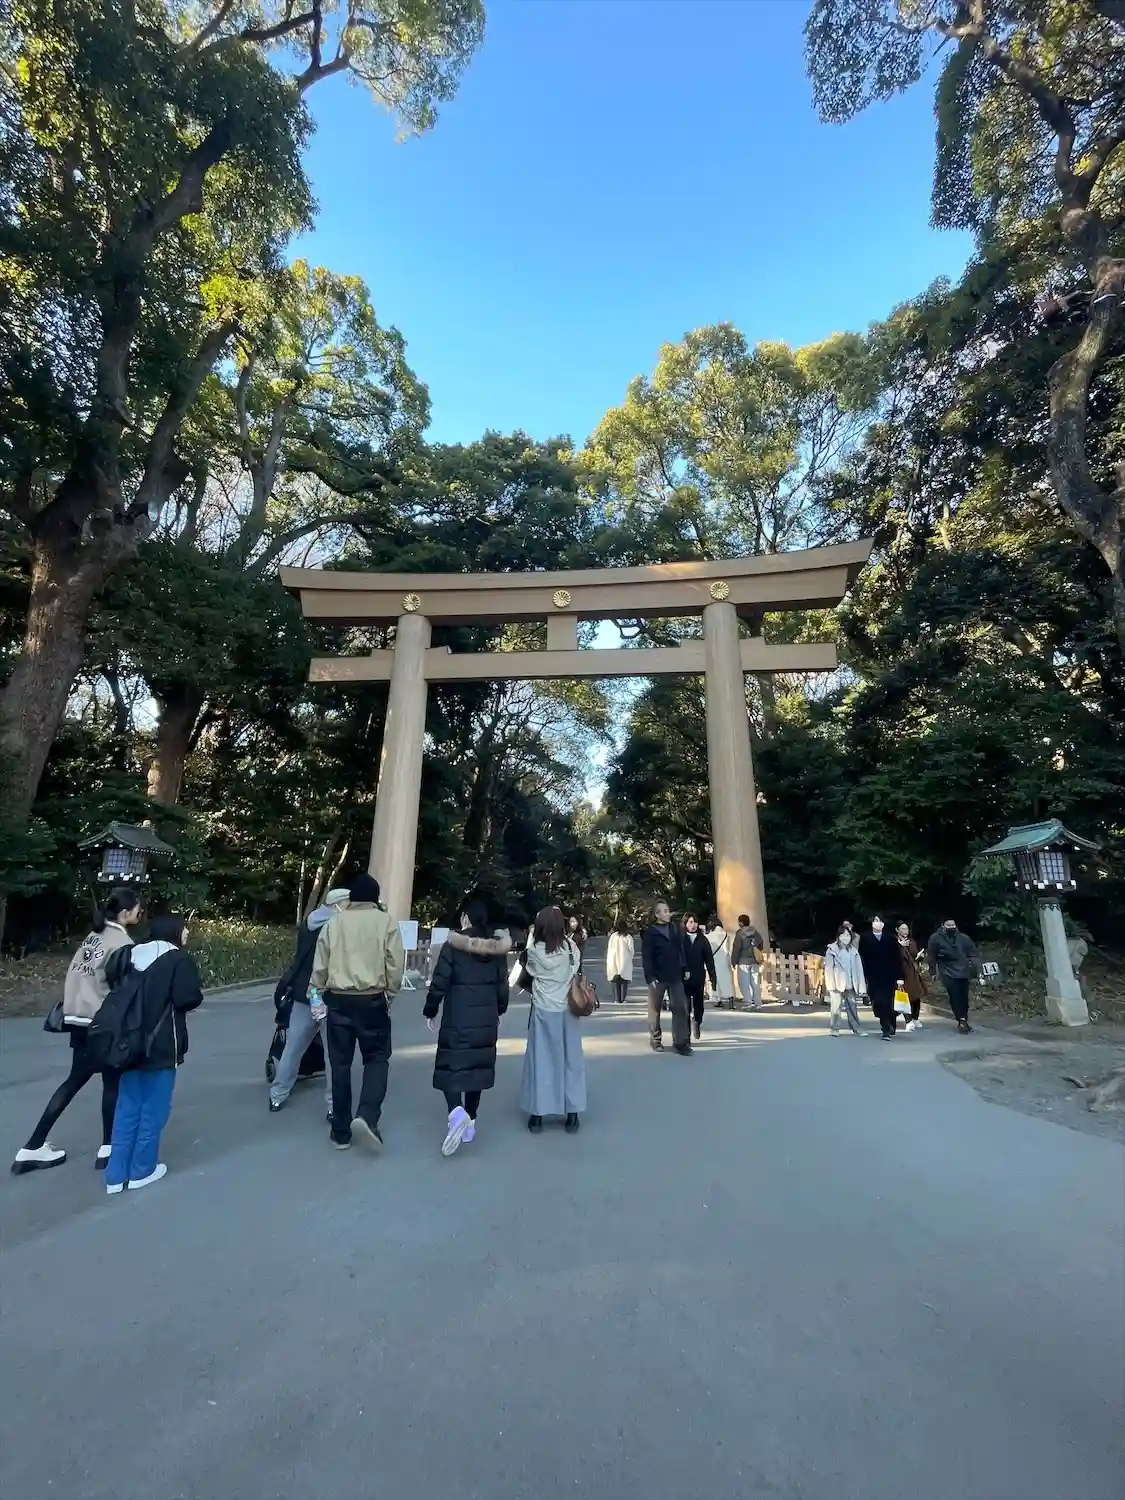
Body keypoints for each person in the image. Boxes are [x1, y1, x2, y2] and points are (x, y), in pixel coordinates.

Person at [11, 889, 143, 1176]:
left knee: (73, 1082)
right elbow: (123, 989)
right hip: (102, 1021)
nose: (139, 913)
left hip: (77, 1018)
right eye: (137, 908)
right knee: (112, 1083)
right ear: (126, 913)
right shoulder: (122, 943)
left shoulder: (93, 937)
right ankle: (108, 1148)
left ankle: (33, 1146)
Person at [103, 914, 204, 1193]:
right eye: (184, 928)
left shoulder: (130, 953)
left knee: (127, 1107)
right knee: (153, 1109)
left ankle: (115, 1174)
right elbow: (187, 998)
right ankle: (142, 1170)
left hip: (124, 1043)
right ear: (174, 931)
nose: (187, 933)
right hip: (160, 1044)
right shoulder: (178, 959)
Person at [310, 873, 405, 1153]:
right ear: (375, 898)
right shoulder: (386, 922)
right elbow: (395, 964)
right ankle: (367, 1116)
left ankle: (340, 1132)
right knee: (377, 1059)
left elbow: (320, 966)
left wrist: (317, 992)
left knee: (340, 1065)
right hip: (372, 1000)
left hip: (337, 1001)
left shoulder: (334, 923)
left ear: (351, 897)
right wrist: (390, 994)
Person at [423, 897, 511, 1157]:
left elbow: (439, 981)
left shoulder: (453, 946)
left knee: (451, 1065)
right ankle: (470, 1122)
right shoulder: (496, 950)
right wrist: (500, 1010)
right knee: (477, 1068)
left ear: (466, 919)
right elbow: (502, 985)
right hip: (486, 1018)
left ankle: (456, 1112)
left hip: (457, 1017)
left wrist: (430, 1009)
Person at [268, 887, 350, 1115]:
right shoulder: (337, 926)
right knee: (333, 1052)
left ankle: (277, 1095)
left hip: (303, 993)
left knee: (293, 1047)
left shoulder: (311, 921)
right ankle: (333, 1105)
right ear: (339, 904)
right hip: (329, 994)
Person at [520, 906, 586, 1133]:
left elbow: (527, 967)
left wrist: (532, 936)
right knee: (571, 1061)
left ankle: (537, 1114)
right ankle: (573, 1114)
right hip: (567, 1009)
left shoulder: (534, 952)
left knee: (541, 1061)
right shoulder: (571, 949)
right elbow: (576, 969)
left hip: (542, 1009)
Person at [642, 899, 691, 1055]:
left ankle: (680, 1042)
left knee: (680, 1008)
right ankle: (655, 1039)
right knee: (654, 1009)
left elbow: (681, 950)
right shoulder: (650, 932)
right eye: (664, 911)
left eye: (667, 910)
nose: (667, 913)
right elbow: (647, 956)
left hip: (675, 974)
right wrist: (650, 977)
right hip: (658, 976)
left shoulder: (675, 929)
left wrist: (685, 967)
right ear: (657, 915)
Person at [925, 918, 980, 1034]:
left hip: (963, 970)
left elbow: (972, 953)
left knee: (964, 996)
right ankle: (961, 1020)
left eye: (953, 925)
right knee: (954, 995)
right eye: (948, 925)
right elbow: (931, 956)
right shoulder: (935, 938)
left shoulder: (963, 938)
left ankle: (964, 1018)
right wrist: (933, 971)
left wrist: (975, 967)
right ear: (943, 925)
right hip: (947, 970)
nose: (951, 927)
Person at [858, 914, 905, 1040]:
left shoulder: (891, 939)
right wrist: (862, 976)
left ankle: (889, 1026)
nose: (877, 923)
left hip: (889, 976)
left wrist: (900, 976)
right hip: (873, 976)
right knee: (879, 1002)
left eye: (880, 921)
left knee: (889, 1003)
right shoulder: (865, 938)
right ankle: (885, 1026)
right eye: (875, 921)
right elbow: (862, 958)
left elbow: (897, 959)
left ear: (884, 924)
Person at [823, 926, 868, 1036]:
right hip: (836, 983)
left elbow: (859, 969)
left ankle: (856, 1028)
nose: (845, 937)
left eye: (848, 935)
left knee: (852, 1007)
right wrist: (830, 984)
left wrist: (861, 986)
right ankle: (835, 1028)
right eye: (843, 935)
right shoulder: (832, 949)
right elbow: (828, 968)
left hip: (850, 983)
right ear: (838, 936)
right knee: (836, 1008)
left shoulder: (853, 951)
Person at [680, 912, 717, 1042]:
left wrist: (713, 979)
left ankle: (696, 1021)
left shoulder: (702, 940)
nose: (693, 925)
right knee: (685, 1008)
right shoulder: (680, 939)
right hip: (683, 979)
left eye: (695, 922)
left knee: (699, 1007)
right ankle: (686, 1035)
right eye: (690, 922)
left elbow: (709, 960)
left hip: (698, 978)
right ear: (685, 924)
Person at [896, 921, 927, 1032]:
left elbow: (915, 955)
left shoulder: (912, 942)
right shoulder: (894, 942)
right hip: (900, 972)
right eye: (903, 929)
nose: (905, 931)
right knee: (904, 997)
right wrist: (899, 946)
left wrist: (920, 956)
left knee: (916, 996)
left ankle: (915, 1017)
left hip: (913, 972)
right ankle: (908, 1021)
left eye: (907, 929)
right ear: (897, 930)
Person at [730, 914, 765, 1011]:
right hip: (754, 961)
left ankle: (748, 1002)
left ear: (741, 922)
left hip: (743, 961)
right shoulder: (755, 932)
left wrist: (733, 961)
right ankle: (758, 1003)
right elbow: (761, 944)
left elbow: (736, 948)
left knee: (744, 983)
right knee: (755, 983)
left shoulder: (740, 933)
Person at [705, 917, 735, 1008]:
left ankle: (718, 999)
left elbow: (708, 950)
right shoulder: (726, 934)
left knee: (716, 980)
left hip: (714, 960)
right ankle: (730, 999)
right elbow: (728, 949)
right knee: (727, 980)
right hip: (724, 960)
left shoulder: (709, 936)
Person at [606, 917, 634, 1004]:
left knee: (615, 981)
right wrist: (630, 958)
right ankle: (623, 998)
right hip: (625, 960)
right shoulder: (628, 937)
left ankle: (616, 999)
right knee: (624, 981)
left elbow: (610, 948)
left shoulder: (613, 936)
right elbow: (631, 949)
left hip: (614, 960)